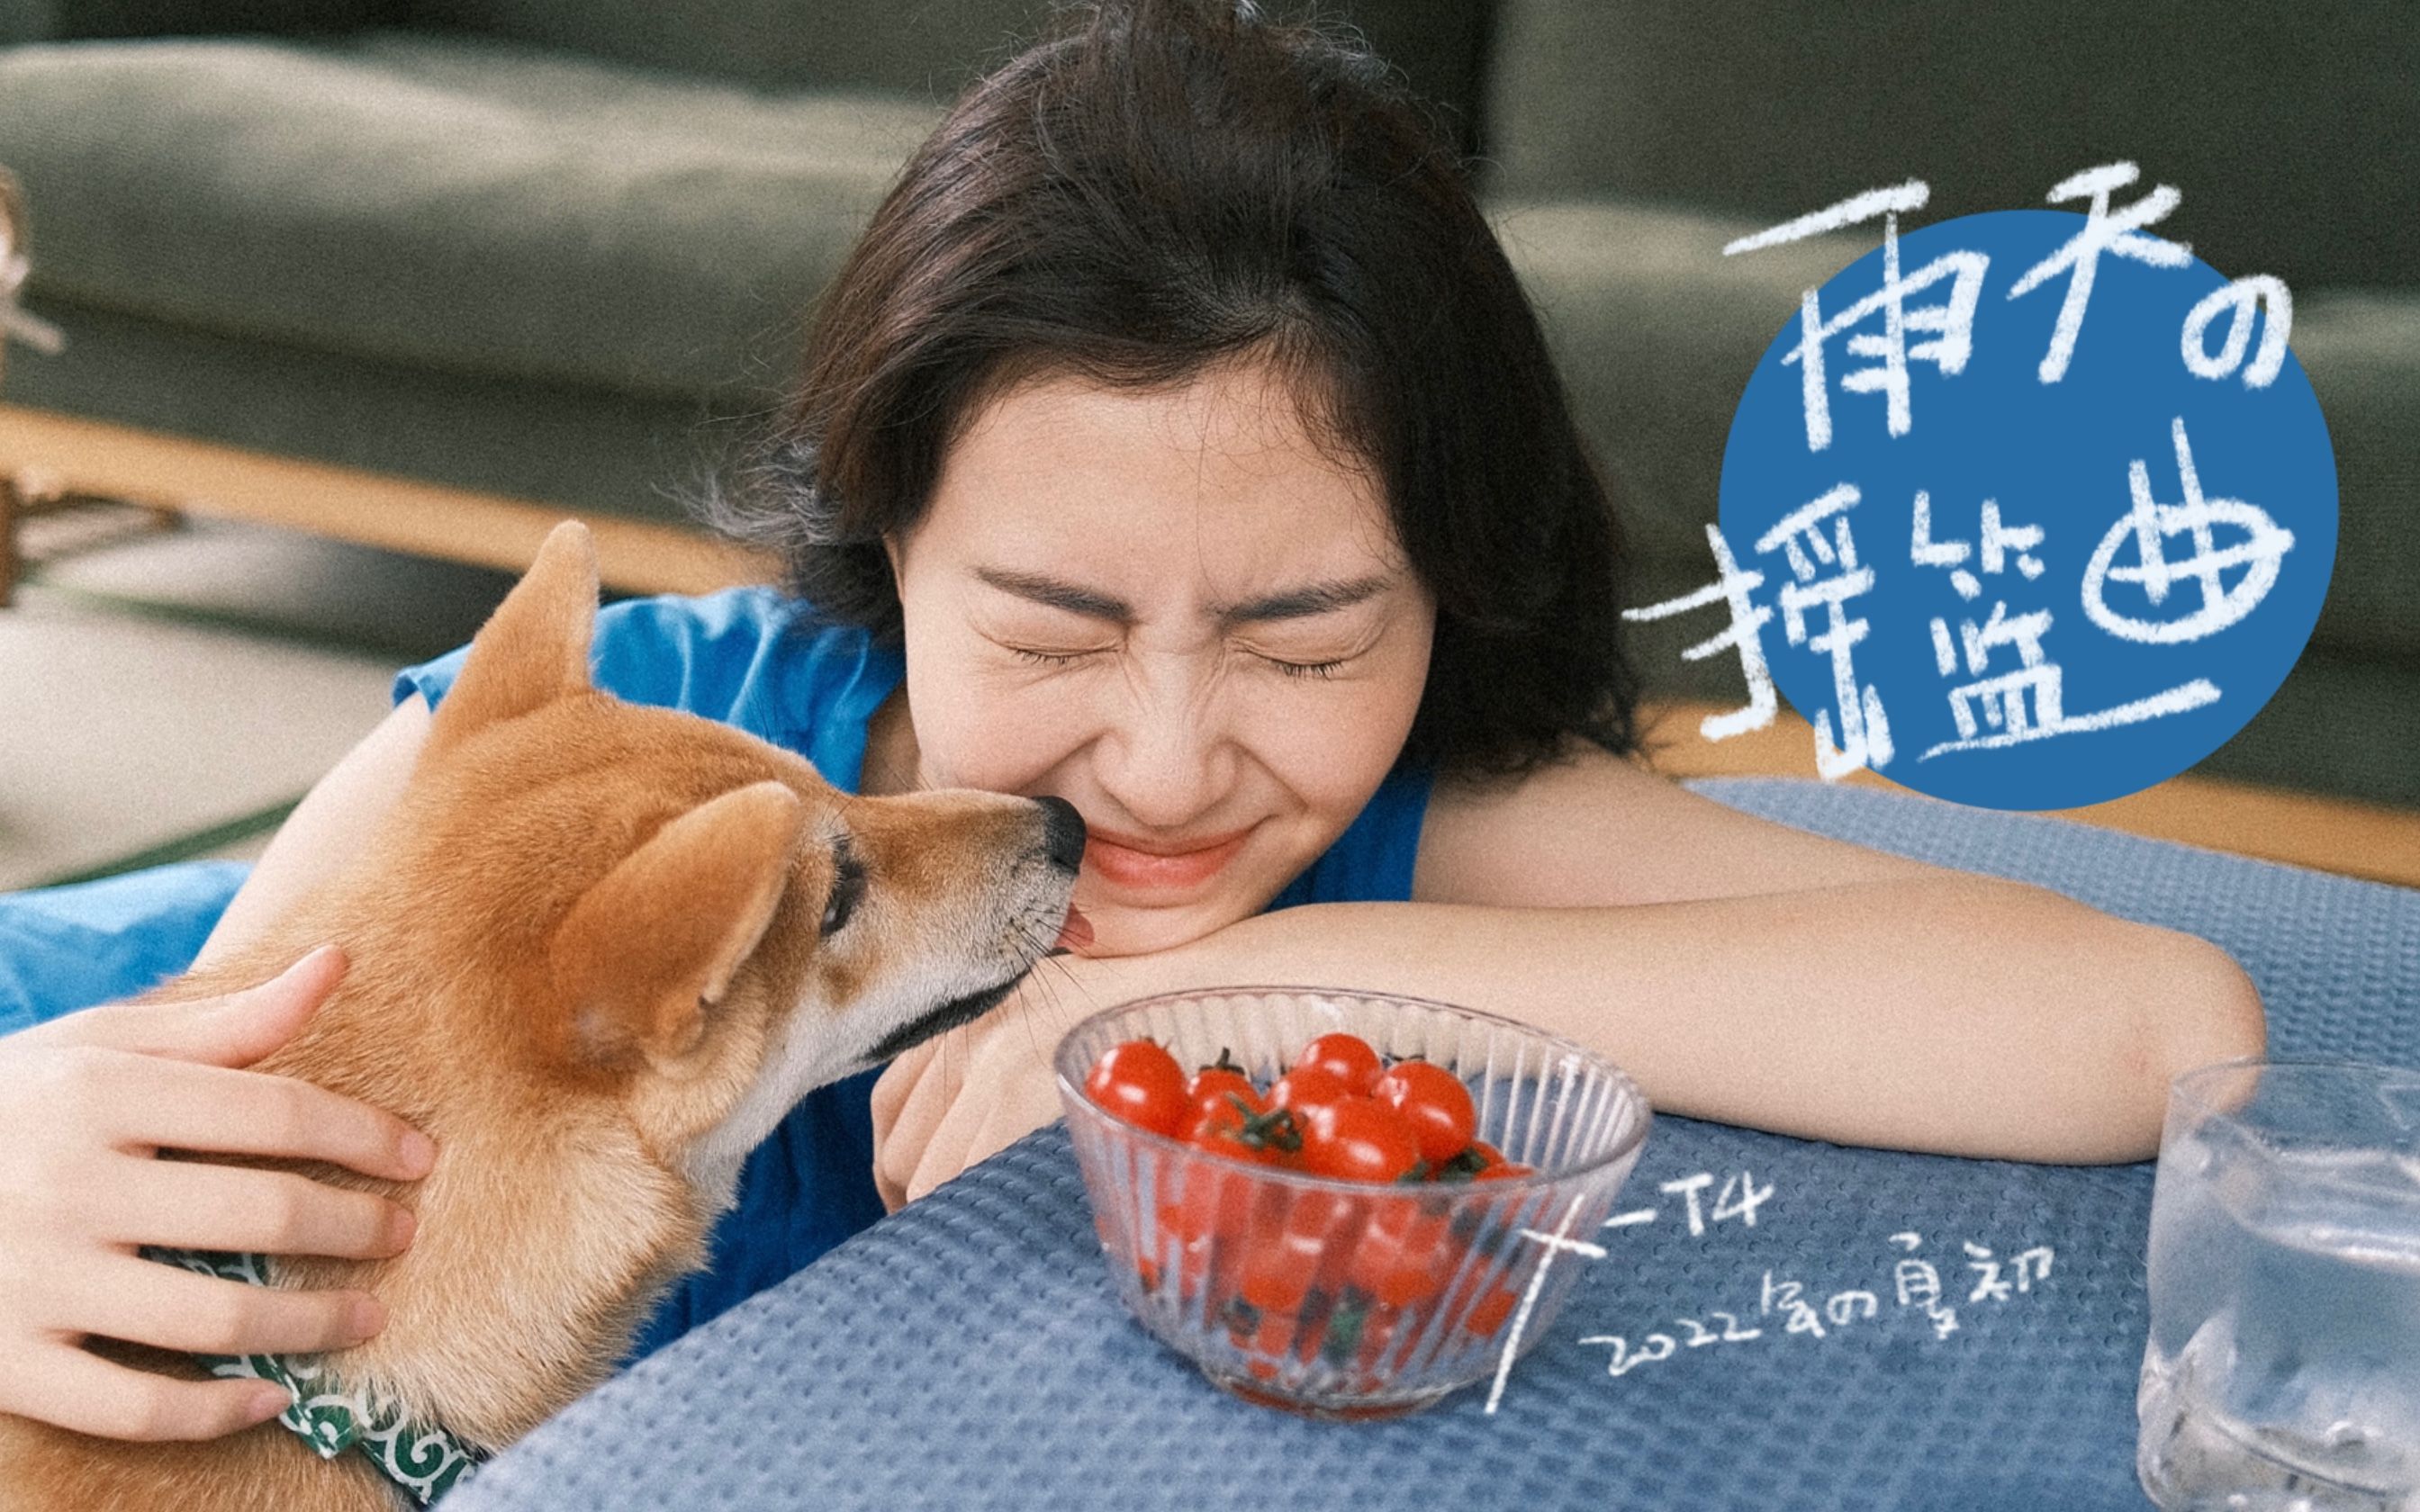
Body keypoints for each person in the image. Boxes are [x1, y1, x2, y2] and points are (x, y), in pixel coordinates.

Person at [0, 0, 2263, 1445]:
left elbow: (2154, 1025)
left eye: (1300, 641)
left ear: (1450, 585)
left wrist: (1293, 970)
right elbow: (215, 1037)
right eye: (1055, 629)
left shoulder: (1397, 822)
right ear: (886, 541)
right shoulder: (646, 735)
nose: (1168, 772)